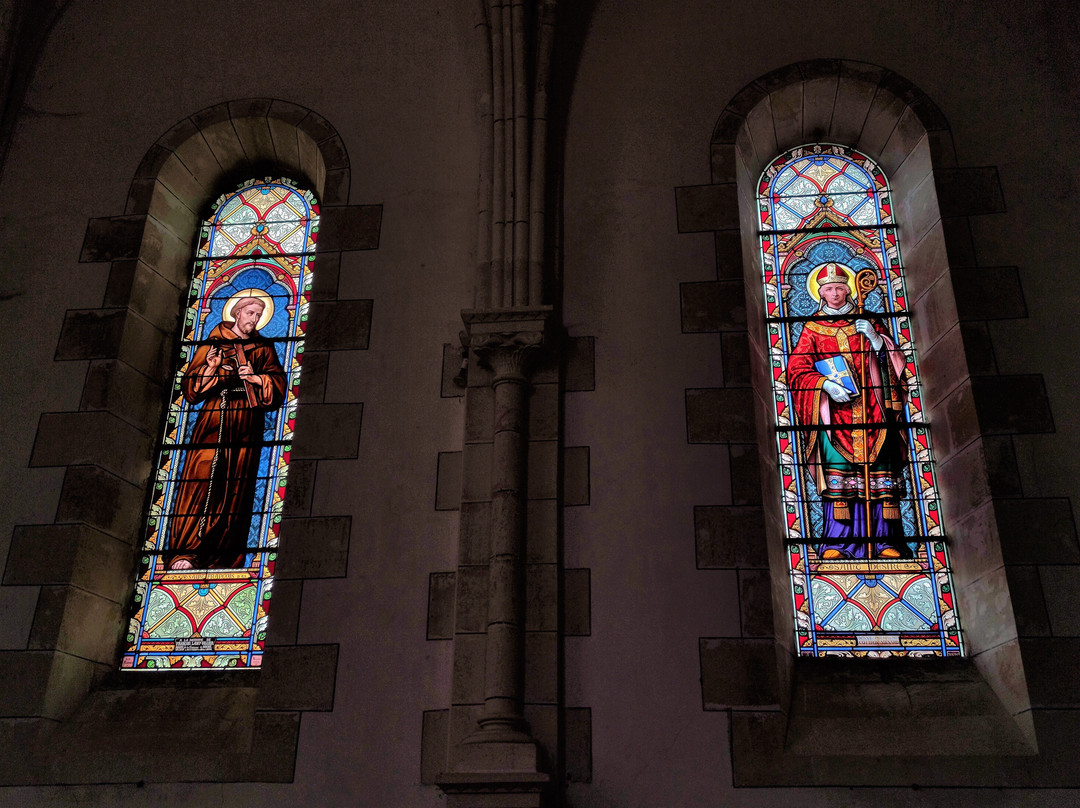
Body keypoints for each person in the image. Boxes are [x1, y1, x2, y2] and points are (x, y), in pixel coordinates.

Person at [786, 262, 911, 560]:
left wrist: (877, 339)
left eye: (840, 288)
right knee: (839, 478)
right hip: (834, 414)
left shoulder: (868, 321)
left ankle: (885, 542)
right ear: (820, 293)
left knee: (881, 473)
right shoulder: (812, 328)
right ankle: (837, 544)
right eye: (828, 289)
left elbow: (895, 362)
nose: (835, 293)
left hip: (873, 410)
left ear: (849, 290)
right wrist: (825, 385)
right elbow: (796, 369)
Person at [165, 296, 287, 570]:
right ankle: (186, 551)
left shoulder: (264, 348)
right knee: (201, 478)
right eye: (250, 313)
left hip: (247, 423)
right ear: (237, 312)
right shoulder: (215, 341)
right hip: (214, 418)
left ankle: (225, 553)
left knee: (237, 486)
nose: (254, 319)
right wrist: (211, 366)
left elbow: (278, 384)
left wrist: (256, 378)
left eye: (258, 315)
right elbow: (191, 390)